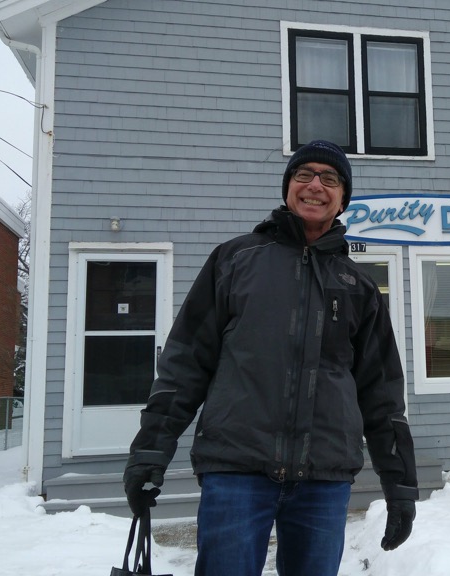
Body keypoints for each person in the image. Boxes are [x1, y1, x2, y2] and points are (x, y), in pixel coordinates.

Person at [122, 140, 419, 576]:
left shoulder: (358, 287)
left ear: (342, 201)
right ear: (287, 189)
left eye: (330, 179)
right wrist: (150, 451)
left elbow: (382, 396)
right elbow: (186, 364)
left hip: (324, 479)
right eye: (304, 175)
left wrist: (400, 485)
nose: (315, 185)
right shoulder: (234, 261)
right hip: (236, 472)